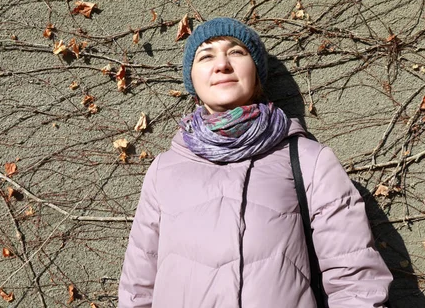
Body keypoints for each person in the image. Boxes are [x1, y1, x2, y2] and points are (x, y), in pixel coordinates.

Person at [117, 17, 392, 307]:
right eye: (206, 56)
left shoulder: (309, 160)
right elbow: (138, 289)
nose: (222, 64)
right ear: (192, 80)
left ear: (257, 72)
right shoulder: (164, 171)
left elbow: (356, 282)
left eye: (236, 52)